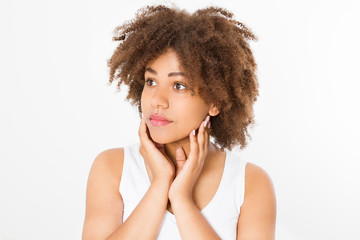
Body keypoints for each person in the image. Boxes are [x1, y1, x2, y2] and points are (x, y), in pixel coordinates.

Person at [82, 5, 276, 240]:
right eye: (151, 81)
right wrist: (160, 184)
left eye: (179, 86)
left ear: (215, 100)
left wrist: (182, 199)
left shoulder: (250, 184)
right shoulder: (112, 168)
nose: (157, 101)